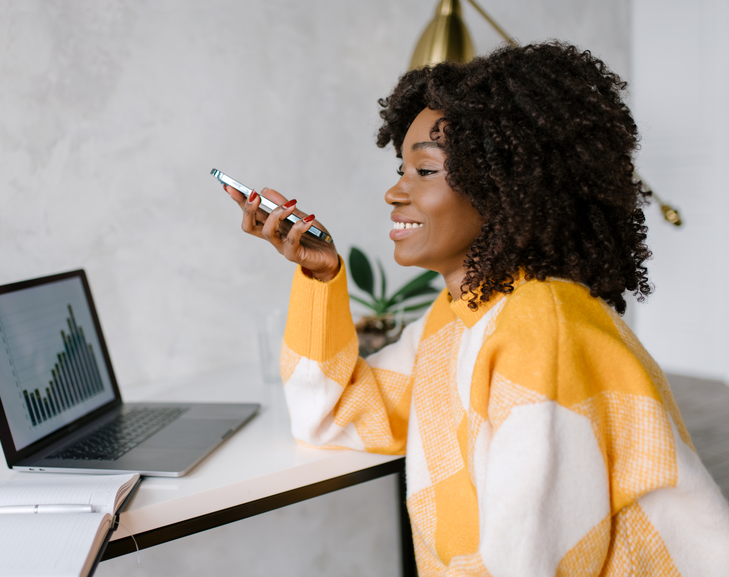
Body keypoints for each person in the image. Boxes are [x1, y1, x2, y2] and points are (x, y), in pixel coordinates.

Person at [224, 42, 729, 576]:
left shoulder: (539, 330)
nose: (395, 192)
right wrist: (321, 275)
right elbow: (331, 420)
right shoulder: (459, 315)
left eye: (425, 170)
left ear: (503, 183)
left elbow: (533, 562)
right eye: (402, 169)